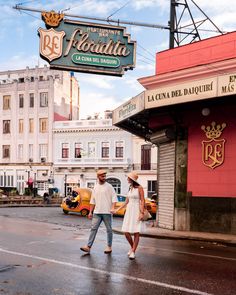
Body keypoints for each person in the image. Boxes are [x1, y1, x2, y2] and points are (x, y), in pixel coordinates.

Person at [80, 169, 117, 254]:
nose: (104, 177)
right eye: (102, 176)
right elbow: (92, 201)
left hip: (107, 212)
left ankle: (109, 246)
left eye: (105, 176)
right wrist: (90, 212)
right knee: (93, 229)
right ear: (98, 177)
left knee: (109, 230)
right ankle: (88, 247)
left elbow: (114, 198)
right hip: (97, 212)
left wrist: (113, 208)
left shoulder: (109, 186)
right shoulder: (95, 187)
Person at [112, 171, 145, 260]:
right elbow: (126, 202)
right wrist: (117, 209)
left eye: (128, 178)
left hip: (136, 210)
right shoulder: (130, 188)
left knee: (136, 232)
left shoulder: (140, 188)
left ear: (132, 179)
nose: (127, 179)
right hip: (129, 210)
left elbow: (142, 201)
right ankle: (132, 247)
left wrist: (141, 213)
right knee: (126, 232)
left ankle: (133, 251)